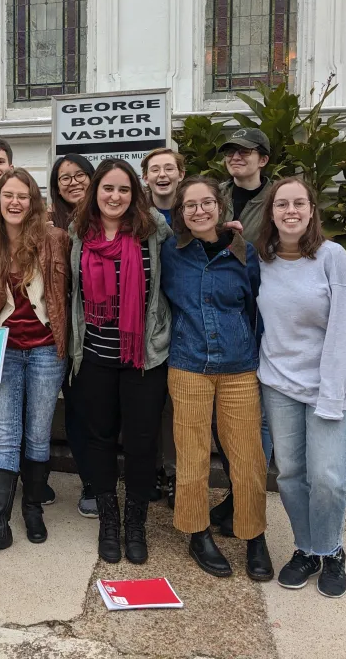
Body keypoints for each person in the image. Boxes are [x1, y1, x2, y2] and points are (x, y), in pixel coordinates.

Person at [255, 178, 346, 598]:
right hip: (279, 384)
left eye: (299, 203)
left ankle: (331, 548)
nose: (290, 211)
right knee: (291, 475)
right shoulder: (262, 261)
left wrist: (333, 394)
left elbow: (344, 330)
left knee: (329, 477)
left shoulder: (332, 258)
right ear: (270, 213)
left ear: (312, 209)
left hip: (329, 385)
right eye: (281, 204)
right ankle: (307, 548)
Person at [160, 176, 272, 580]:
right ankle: (197, 532)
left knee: (248, 458)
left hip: (239, 367)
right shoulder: (170, 252)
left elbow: (259, 308)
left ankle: (254, 535)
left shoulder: (246, 253)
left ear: (219, 208)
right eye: (190, 205)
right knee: (191, 457)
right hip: (188, 364)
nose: (199, 211)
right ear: (181, 214)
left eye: (206, 203)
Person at [66, 159, 172, 565]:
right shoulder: (78, 234)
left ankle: (136, 522)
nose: (115, 197)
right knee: (100, 439)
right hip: (94, 355)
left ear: (135, 194)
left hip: (143, 357)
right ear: (95, 192)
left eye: (124, 190)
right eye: (107, 188)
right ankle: (109, 519)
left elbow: (194, 245)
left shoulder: (153, 232)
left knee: (143, 442)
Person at [0, 168, 70, 560]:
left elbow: (67, 295)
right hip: (2, 349)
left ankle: (32, 508)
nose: (14, 202)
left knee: (38, 434)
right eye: (8, 195)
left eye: (22, 196)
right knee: (6, 437)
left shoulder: (56, 240)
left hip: (46, 348)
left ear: (33, 201)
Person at [211, 127, 275, 536]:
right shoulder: (214, 193)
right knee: (227, 421)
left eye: (245, 152)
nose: (237, 157)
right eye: (231, 151)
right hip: (226, 313)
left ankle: (245, 498)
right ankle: (237, 493)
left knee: (257, 421)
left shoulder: (278, 198)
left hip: (266, 311)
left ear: (262, 159)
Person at [46, 153, 97, 518]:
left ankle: (101, 480)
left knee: (100, 412)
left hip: (99, 331)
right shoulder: (49, 224)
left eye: (79, 175)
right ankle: (90, 482)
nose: (73, 182)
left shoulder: (107, 219)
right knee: (78, 411)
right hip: (59, 332)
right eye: (65, 178)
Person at [141, 148, 187, 508]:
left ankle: (173, 473)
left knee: (176, 405)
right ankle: (153, 468)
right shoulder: (138, 215)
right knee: (150, 402)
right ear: (145, 177)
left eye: (168, 168)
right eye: (154, 169)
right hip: (149, 320)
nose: (162, 174)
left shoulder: (195, 210)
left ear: (180, 174)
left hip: (187, 319)